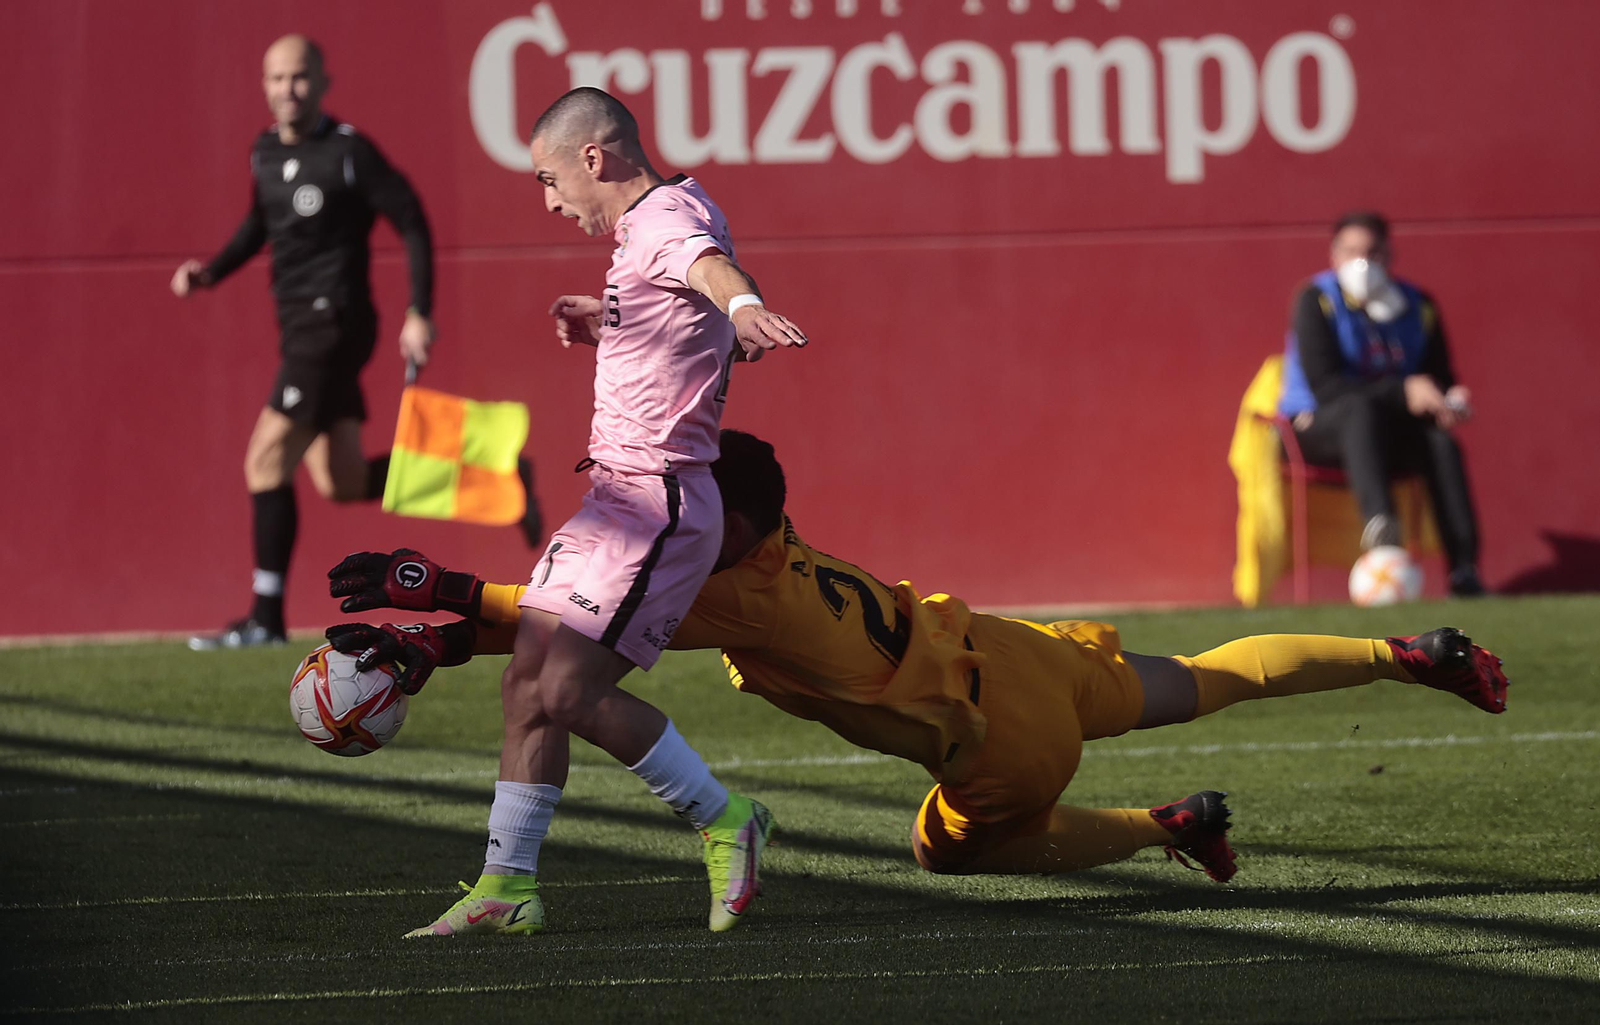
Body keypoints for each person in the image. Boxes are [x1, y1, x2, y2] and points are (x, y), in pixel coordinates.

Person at [324, 429, 1510, 890]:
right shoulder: (756, 556)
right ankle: (1401, 651)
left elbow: (560, 622)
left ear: (728, 521)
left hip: (1001, 738)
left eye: (693, 500)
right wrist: (433, 641)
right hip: (1015, 652)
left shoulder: (727, 592)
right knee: (1212, 674)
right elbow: (567, 619)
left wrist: (438, 597)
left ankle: (1163, 825)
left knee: (946, 850)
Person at [353, 88, 807, 939]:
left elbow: (707, 267)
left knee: (566, 689)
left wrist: (743, 304)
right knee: (525, 683)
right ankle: (506, 885)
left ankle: (724, 816)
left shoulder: (669, 218)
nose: (550, 200)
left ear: (593, 158)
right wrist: (607, 321)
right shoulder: (653, 219)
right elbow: (676, 301)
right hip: (614, 499)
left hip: (657, 505)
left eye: (548, 180)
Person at [172, 35, 468, 650]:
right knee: (342, 479)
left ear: (323, 81)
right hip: (304, 329)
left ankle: (265, 617)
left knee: (263, 461)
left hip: (332, 327)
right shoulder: (263, 153)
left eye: (299, 78)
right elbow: (261, 225)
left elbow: (411, 218)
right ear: (265, 85)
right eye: (277, 79)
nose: (288, 90)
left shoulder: (348, 152)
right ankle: (479, 472)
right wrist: (212, 272)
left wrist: (420, 311)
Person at [1278, 211, 1486, 596]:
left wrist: (1450, 398)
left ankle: (1465, 569)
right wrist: (1402, 389)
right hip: (1317, 427)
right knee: (1360, 412)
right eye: (1351, 251)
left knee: (1440, 443)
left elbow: (1438, 373)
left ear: (1389, 256)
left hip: (1389, 434)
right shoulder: (1316, 299)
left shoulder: (1418, 305)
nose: (1362, 262)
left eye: (1372, 252)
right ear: (1334, 255)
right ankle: (1381, 526)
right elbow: (1327, 387)